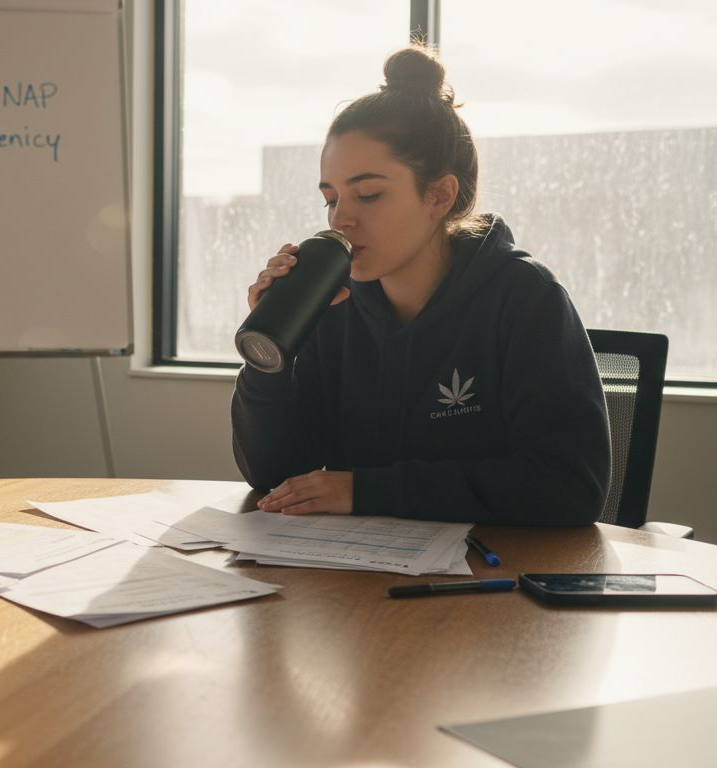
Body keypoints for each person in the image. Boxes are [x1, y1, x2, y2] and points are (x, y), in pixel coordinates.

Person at [231, 44, 610, 525]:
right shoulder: (333, 302)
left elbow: (570, 487)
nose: (341, 219)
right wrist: (271, 352)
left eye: (369, 194)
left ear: (439, 195)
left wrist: (368, 491)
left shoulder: (525, 298)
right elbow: (272, 474)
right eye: (331, 199)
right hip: (354, 565)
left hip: (489, 566)